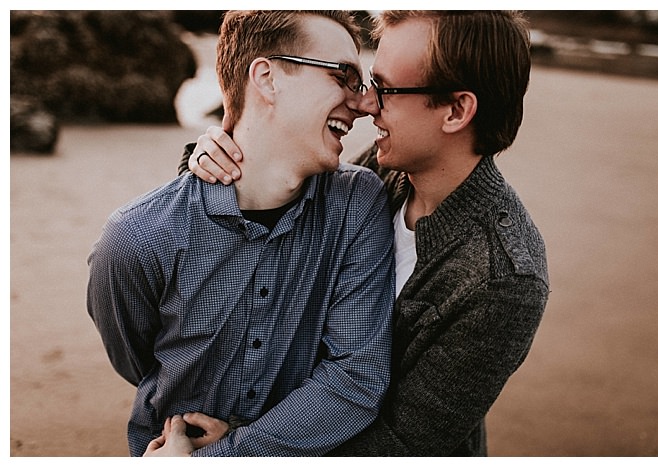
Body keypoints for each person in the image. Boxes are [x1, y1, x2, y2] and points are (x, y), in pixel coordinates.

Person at [178, 10, 549, 456]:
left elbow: (403, 444)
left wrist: (240, 449)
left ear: (456, 110)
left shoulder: (504, 278)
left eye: (388, 89)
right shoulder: (382, 171)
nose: (368, 104)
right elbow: (279, 200)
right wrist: (210, 159)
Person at [86, 10, 395, 457]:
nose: (364, 103)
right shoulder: (137, 237)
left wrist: (226, 453)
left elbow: (356, 376)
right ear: (267, 78)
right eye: (344, 75)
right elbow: (139, 362)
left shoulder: (357, 204)